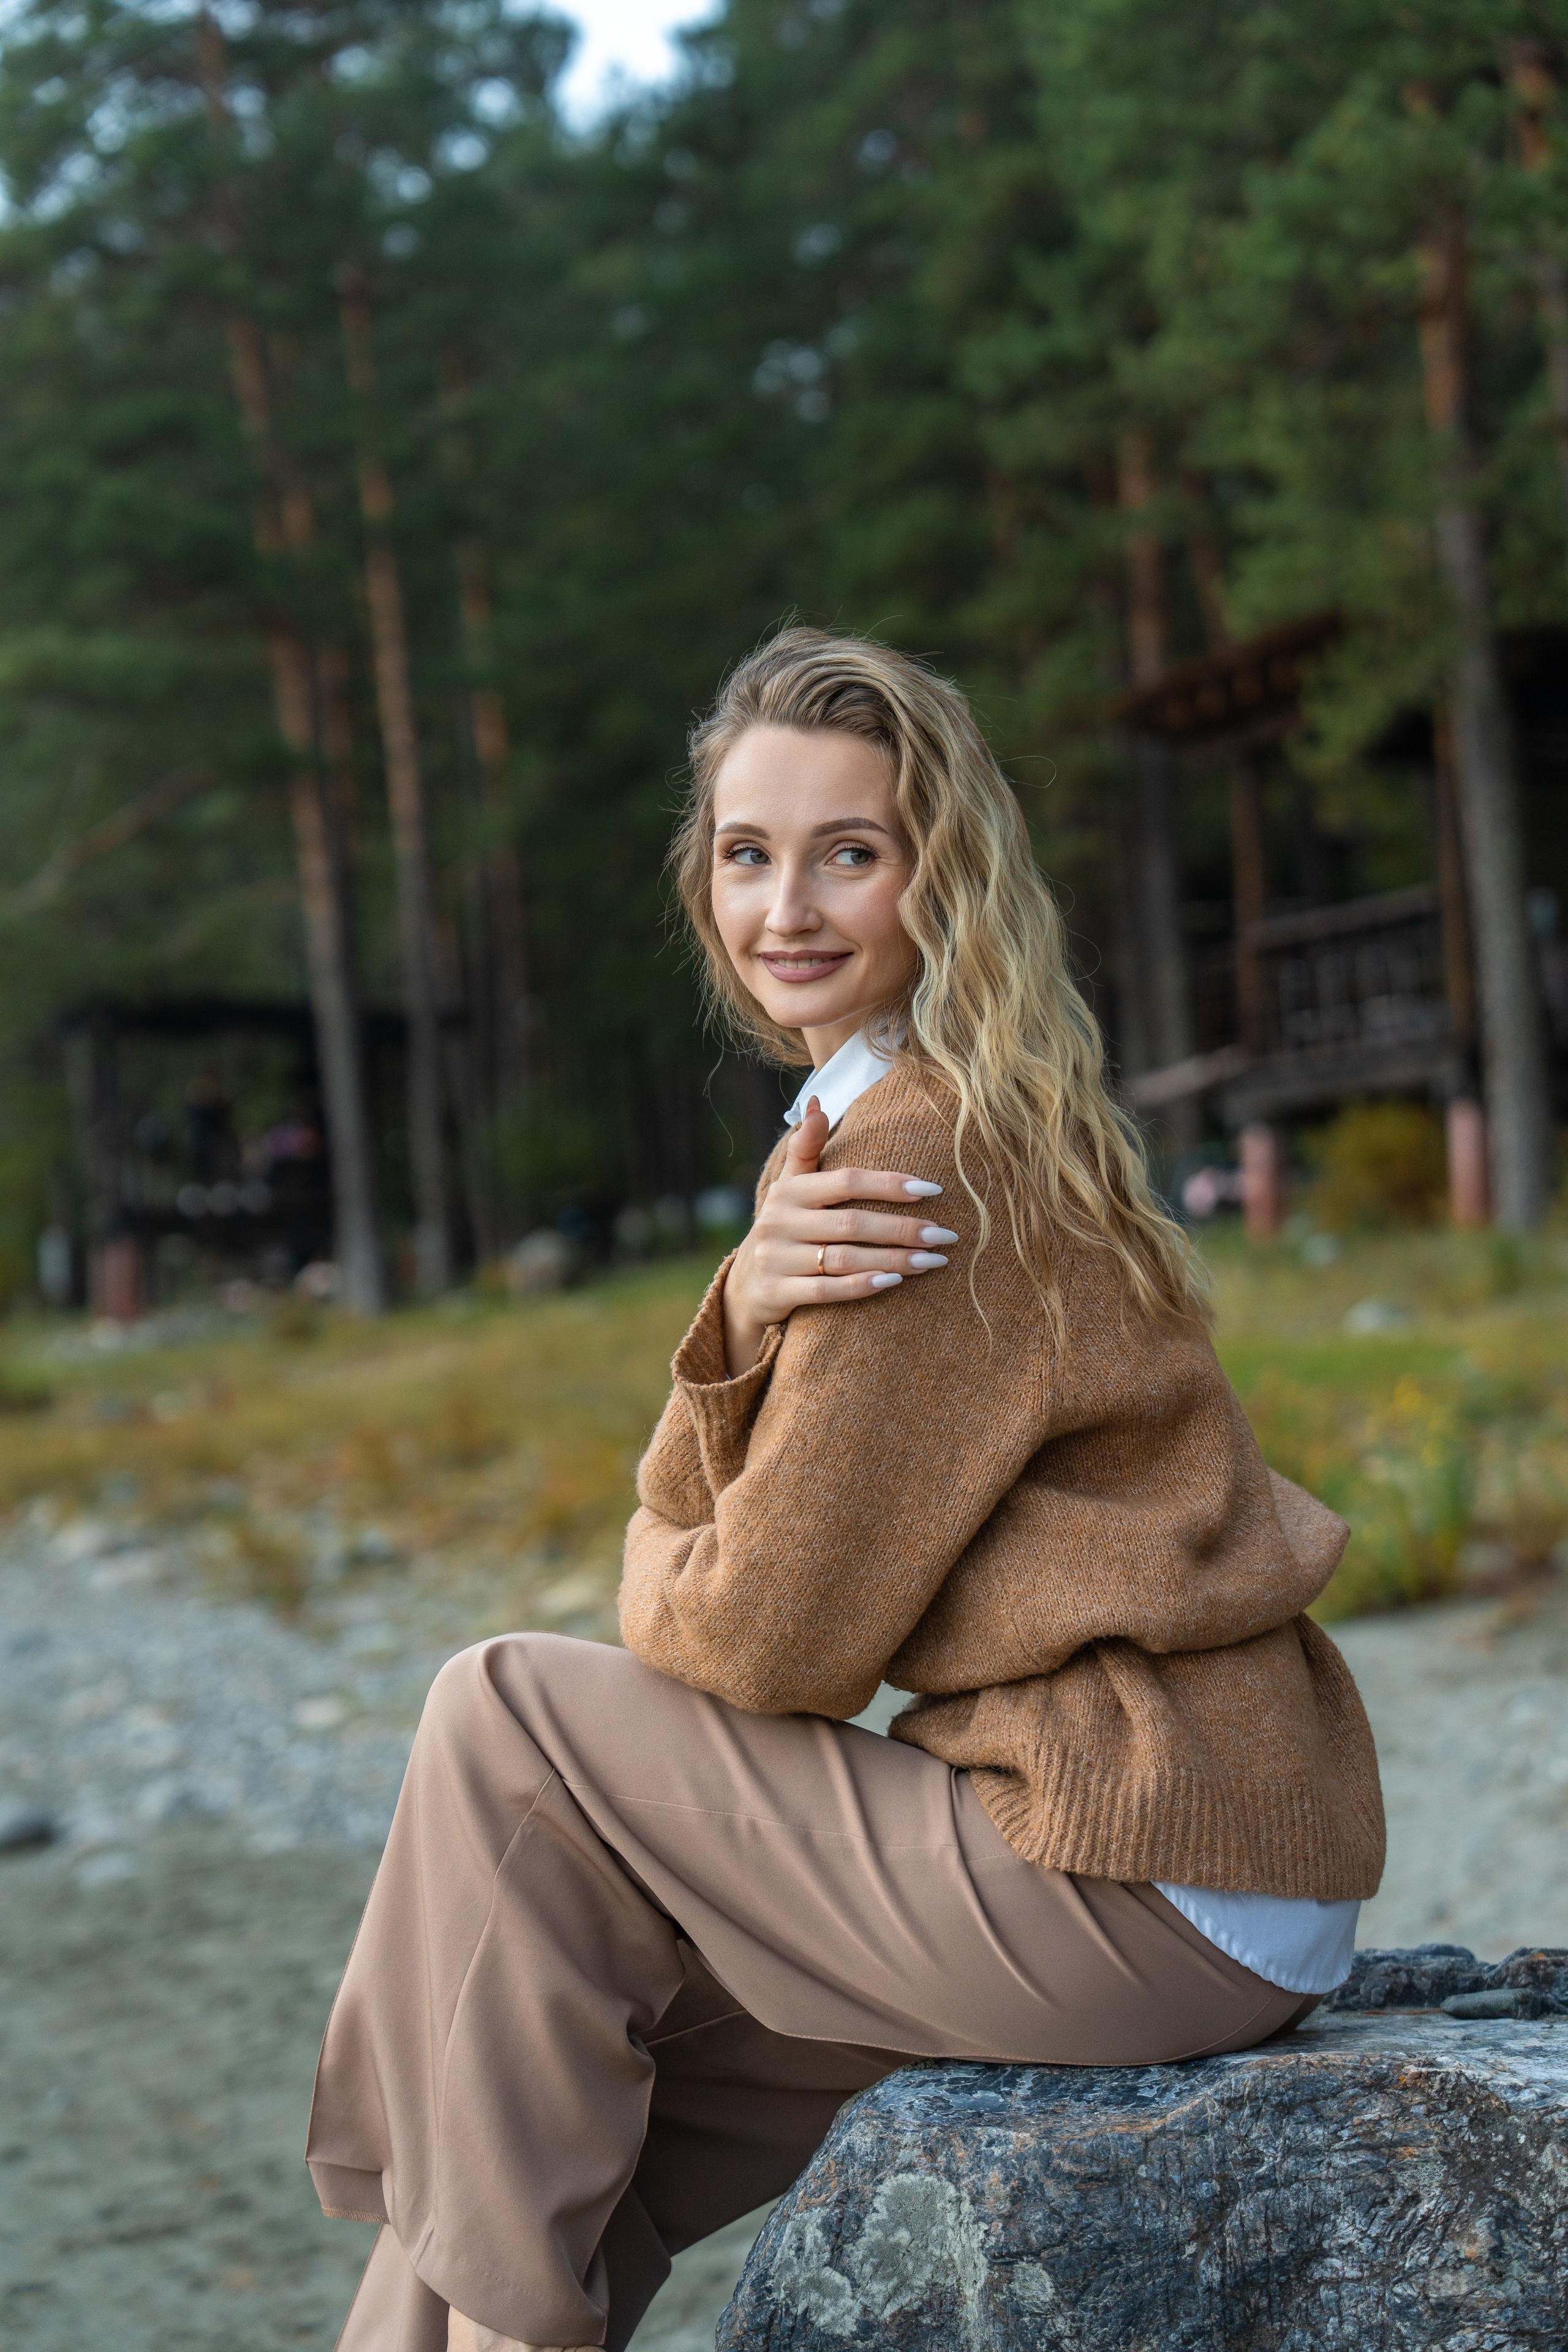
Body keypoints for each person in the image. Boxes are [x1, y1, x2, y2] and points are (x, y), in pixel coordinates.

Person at [307, 628, 1384, 2352]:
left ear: (938, 877)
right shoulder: (888, 1125)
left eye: (849, 854)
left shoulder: (917, 1162)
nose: (786, 908)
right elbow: (747, 1558)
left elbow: (765, 1644)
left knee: (498, 1706)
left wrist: (654, 1558)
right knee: (529, 2077)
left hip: (1135, 1866)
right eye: (749, 855)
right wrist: (738, 1309)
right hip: (1207, 1865)